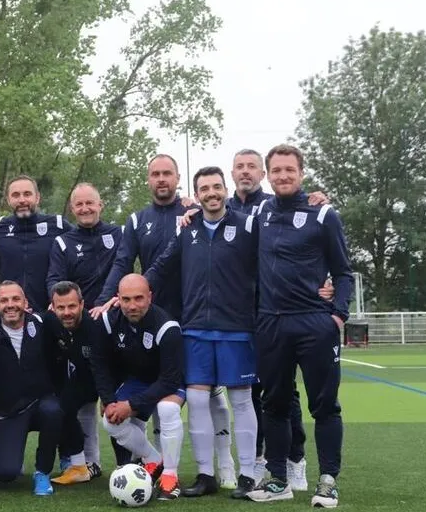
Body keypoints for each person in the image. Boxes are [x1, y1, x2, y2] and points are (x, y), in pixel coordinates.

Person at [93, 154, 233, 483]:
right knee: (158, 400)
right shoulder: (137, 220)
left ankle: (223, 466)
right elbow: (123, 262)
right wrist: (105, 300)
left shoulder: (191, 214)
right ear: (148, 179)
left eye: (166, 174)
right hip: (146, 319)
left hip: (191, 320)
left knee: (210, 396)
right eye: (155, 174)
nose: (161, 179)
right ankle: (157, 466)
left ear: (177, 177)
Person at [143, 166, 261, 498]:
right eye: (204, 188)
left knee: (241, 400)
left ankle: (248, 474)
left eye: (216, 187)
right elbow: (162, 265)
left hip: (236, 329)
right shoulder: (188, 229)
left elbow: (272, 264)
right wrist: (134, 288)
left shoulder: (248, 226)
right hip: (194, 328)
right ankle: (206, 474)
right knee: (195, 400)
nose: (211, 193)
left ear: (225, 189)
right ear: (196, 195)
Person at [247, 144, 353, 508]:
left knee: (324, 407)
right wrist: (190, 211)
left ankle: (327, 482)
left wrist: (337, 315)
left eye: (289, 169)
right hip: (272, 324)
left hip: (314, 325)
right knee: (273, 403)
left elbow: (342, 272)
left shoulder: (323, 214)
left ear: (301, 173)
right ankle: (279, 480)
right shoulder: (260, 211)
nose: (283, 176)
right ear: (268, 174)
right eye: (276, 170)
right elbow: (222, 215)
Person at [228, 148, 310, 487]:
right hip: (236, 316)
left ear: (262, 173)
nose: (245, 172)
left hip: (272, 312)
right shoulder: (223, 207)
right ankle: (261, 459)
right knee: (248, 394)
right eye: (239, 167)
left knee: (281, 392)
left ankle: (296, 459)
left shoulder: (274, 206)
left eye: (252, 167)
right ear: (232, 173)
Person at [45, 182, 123, 471]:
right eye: (79, 204)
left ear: (101, 204)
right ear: (72, 208)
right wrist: (63, 306)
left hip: (116, 326)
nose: (85, 208)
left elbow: (126, 268)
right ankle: (90, 462)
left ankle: (128, 462)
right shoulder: (63, 242)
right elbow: (54, 280)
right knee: (84, 398)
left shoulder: (118, 234)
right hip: (78, 327)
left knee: (116, 395)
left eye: (91, 203)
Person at [93, 275, 186, 501]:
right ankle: (154, 460)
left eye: (138, 298)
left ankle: (171, 477)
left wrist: (131, 404)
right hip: (139, 381)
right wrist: (108, 400)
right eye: (126, 299)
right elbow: (99, 363)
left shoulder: (167, 326)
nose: (132, 305)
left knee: (167, 410)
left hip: (170, 380)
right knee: (110, 420)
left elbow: (170, 380)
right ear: (118, 298)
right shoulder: (109, 321)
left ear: (150, 297)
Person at [0, 281, 65, 496]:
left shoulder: (42, 323)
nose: (11, 305)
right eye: (4, 300)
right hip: (10, 410)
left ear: (25, 303)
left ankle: (42, 472)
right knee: (6, 474)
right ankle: (10, 456)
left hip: (41, 403)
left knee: (54, 410)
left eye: (16, 299)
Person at [0, 175, 72, 313]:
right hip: (11, 313)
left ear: (37, 197)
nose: (22, 200)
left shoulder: (58, 225)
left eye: (27, 194)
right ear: (8, 200)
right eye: (15, 195)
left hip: (49, 312)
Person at [48, 281, 107, 486]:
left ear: (82, 304)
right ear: (52, 307)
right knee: (63, 407)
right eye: (61, 307)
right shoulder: (51, 322)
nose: (66, 312)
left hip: (109, 377)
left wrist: (108, 398)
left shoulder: (95, 326)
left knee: (114, 416)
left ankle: (129, 464)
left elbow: (102, 367)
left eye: (72, 306)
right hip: (78, 376)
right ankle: (84, 465)